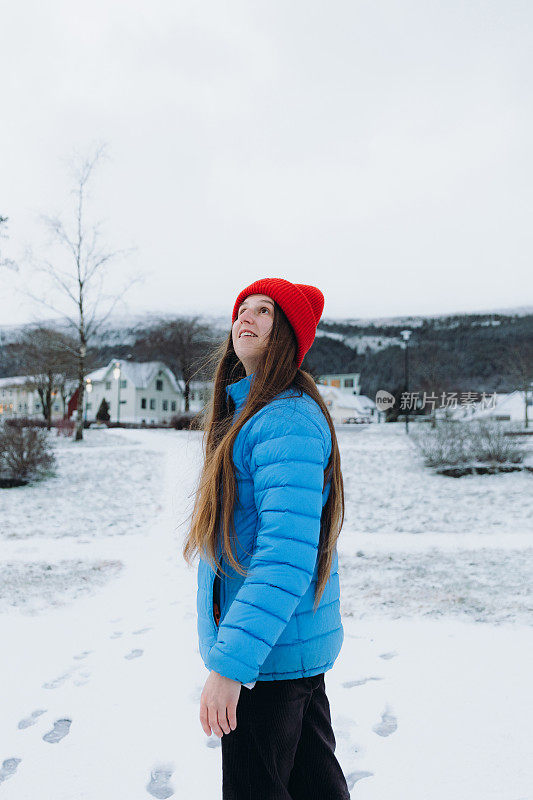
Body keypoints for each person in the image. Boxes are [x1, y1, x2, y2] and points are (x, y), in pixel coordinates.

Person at [183, 278, 350, 799]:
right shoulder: (258, 413)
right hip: (281, 651)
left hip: (268, 662)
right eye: (242, 309)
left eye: (264, 312)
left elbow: (285, 558)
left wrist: (231, 666)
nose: (246, 318)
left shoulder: (284, 419)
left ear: (288, 338)